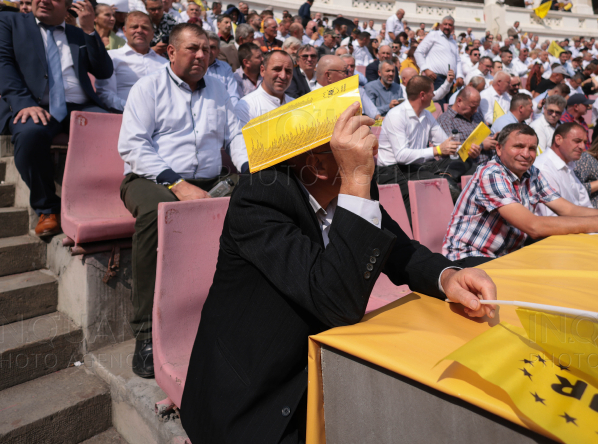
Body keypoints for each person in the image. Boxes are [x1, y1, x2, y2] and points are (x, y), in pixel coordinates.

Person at [180, 101, 498, 444]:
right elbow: (335, 301)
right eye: (358, 145)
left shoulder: (352, 187)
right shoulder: (260, 198)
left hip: (321, 371)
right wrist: (356, 180)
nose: (372, 152)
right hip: (254, 393)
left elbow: (400, 249)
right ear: (317, 164)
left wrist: (446, 276)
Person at [118, 23, 248, 379]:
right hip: (151, 178)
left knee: (262, 195)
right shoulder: (148, 87)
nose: (203, 55)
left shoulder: (219, 88)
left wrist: (249, 168)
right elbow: (133, 146)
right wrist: (176, 184)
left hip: (208, 180)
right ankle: (146, 333)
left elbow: (235, 135)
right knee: (156, 215)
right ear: (171, 52)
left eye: (207, 49)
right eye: (193, 49)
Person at [0, 0, 113, 237]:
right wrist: (23, 103)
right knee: (30, 133)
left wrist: (90, 30)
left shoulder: (77, 34)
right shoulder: (8, 22)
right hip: (35, 105)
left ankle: (107, 201)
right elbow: (0, 63)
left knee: (118, 130)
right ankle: (47, 209)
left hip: (82, 107)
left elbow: (103, 70)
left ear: (67, 8)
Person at [442, 123, 598, 261]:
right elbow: (534, 226)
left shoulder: (532, 172)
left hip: (506, 255)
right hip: (470, 258)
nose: (526, 154)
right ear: (498, 149)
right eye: (518, 146)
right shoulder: (492, 173)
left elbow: (569, 210)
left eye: (532, 148)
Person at [376, 76, 461, 212]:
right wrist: (437, 150)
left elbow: (444, 142)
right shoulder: (396, 115)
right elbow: (401, 156)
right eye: (432, 92)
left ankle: (445, 177)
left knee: (465, 163)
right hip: (391, 170)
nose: (434, 95)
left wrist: (465, 148)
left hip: (415, 167)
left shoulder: (426, 114)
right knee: (439, 183)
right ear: (422, 95)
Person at [95, 11, 168, 112]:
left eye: (145, 27)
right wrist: (133, 110)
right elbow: (106, 94)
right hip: (122, 117)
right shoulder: (112, 57)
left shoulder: (165, 64)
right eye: (134, 27)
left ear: (152, 33)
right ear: (124, 31)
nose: (139, 31)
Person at [532, 122, 592, 216]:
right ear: (558, 139)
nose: (582, 147)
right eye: (577, 141)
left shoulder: (569, 166)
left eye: (584, 142)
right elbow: (551, 218)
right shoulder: (543, 168)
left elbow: (585, 205)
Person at [234, 49, 294, 125]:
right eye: (277, 69)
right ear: (262, 71)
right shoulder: (246, 107)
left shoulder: (297, 105)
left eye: (288, 71)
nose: (283, 76)